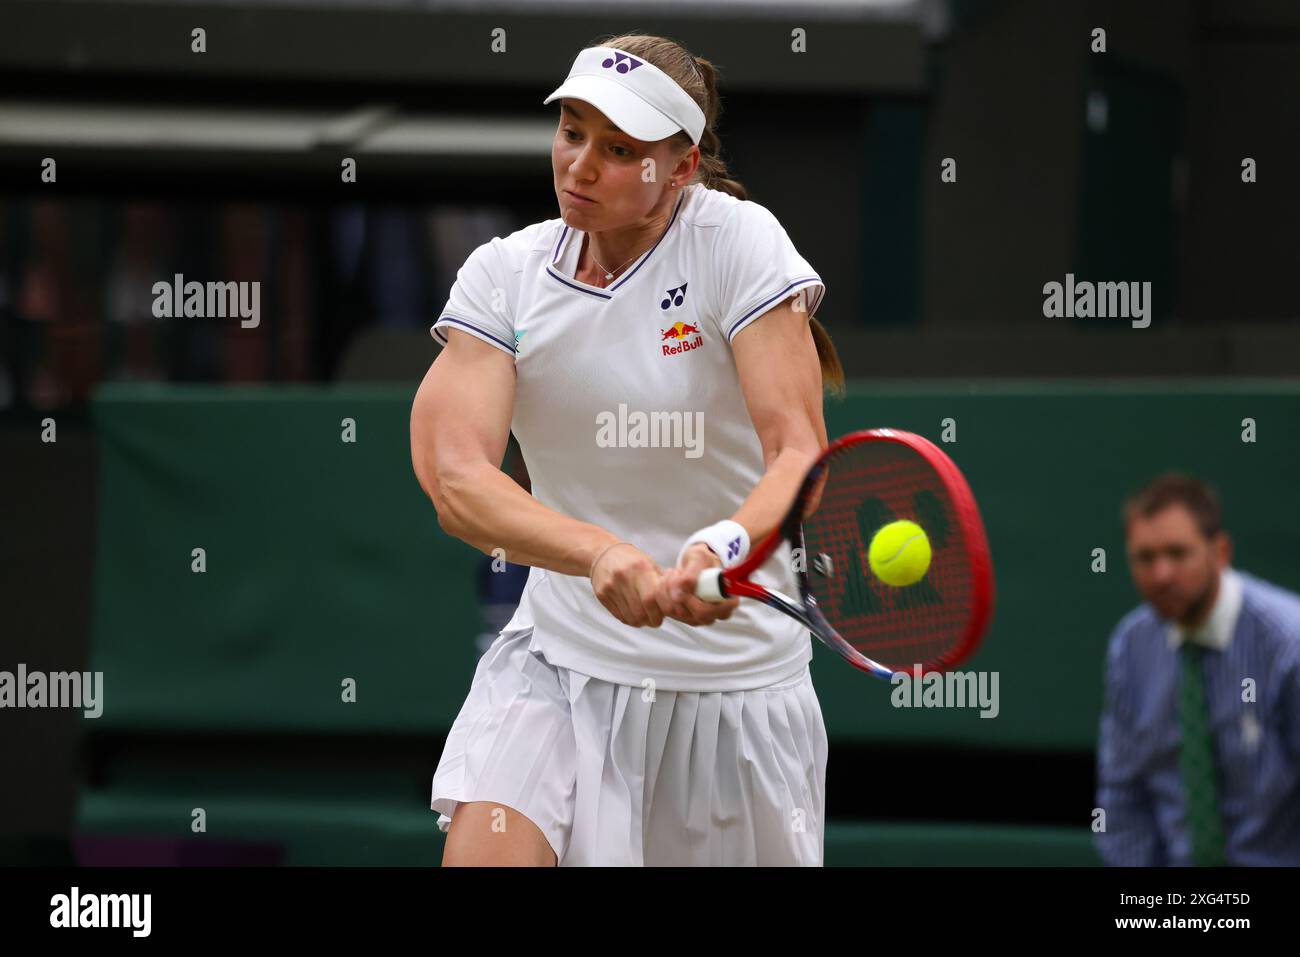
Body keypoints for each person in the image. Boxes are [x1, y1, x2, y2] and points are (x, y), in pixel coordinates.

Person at [410, 33, 844, 866]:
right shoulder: (506, 274)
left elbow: (798, 455)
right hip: (560, 663)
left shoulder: (738, 245)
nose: (580, 165)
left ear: (679, 169)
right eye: (571, 133)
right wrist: (600, 553)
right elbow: (456, 480)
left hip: (736, 698)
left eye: (619, 151)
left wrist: (724, 546)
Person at [1095, 472, 1300, 866]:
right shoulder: (1130, 648)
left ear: (1219, 552)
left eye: (1177, 553)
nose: (1162, 575)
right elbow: (1122, 796)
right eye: (1145, 557)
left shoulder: (1287, 646)